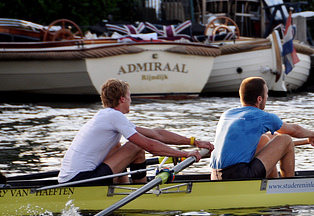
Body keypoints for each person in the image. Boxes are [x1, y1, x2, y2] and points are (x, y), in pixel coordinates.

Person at [58, 79, 213, 185]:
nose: (131, 100)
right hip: (81, 181)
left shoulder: (106, 116)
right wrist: (184, 154)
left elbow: (156, 134)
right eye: (129, 96)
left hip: (71, 179)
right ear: (122, 99)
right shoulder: (114, 116)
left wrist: (193, 142)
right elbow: (149, 145)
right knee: (136, 146)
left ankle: (125, 187)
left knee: (117, 145)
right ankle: (140, 191)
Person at [210, 77, 314, 180]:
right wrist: (313, 134)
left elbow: (272, 139)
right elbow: (294, 130)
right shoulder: (262, 117)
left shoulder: (227, 114)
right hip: (239, 175)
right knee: (285, 139)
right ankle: (288, 187)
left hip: (215, 176)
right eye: (267, 94)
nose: (267, 97)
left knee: (264, 139)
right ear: (259, 99)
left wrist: (307, 140)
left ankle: (272, 184)